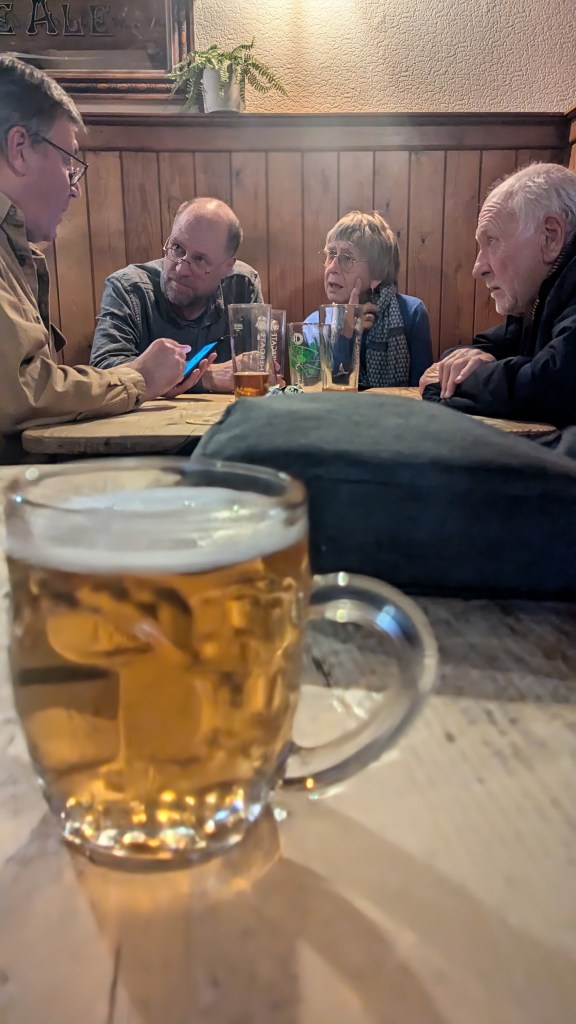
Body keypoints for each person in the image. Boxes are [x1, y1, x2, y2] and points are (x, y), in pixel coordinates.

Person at [0, 55, 210, 447]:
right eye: (68, 162)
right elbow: (20, 392)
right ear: (20, 149)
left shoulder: (13, 249)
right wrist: (139, 378)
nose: (75, 188)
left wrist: (137, 377)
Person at [420, 163, 576, 428]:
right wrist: (468, 365)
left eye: (492, 240)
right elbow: (463, 353)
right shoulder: (535, 301)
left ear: (550, 237)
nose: (477, 268)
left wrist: (465, 379)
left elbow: (552, 384)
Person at [90, 197, 263, 393]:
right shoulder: (128, 288)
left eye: (199, 259)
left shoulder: (242, 285)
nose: (180, 269)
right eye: (177, 248)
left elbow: (259, 366)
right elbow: (103, 374)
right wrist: (205, 376)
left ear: (227, 267)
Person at [305, 210, 432, 388]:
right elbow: (325, 391)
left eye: (347, 258)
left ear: (377, 274)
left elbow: (422, 391)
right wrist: (346, 332)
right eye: (331, 254)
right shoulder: (312, 325)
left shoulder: (411, 313)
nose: (332, 267)